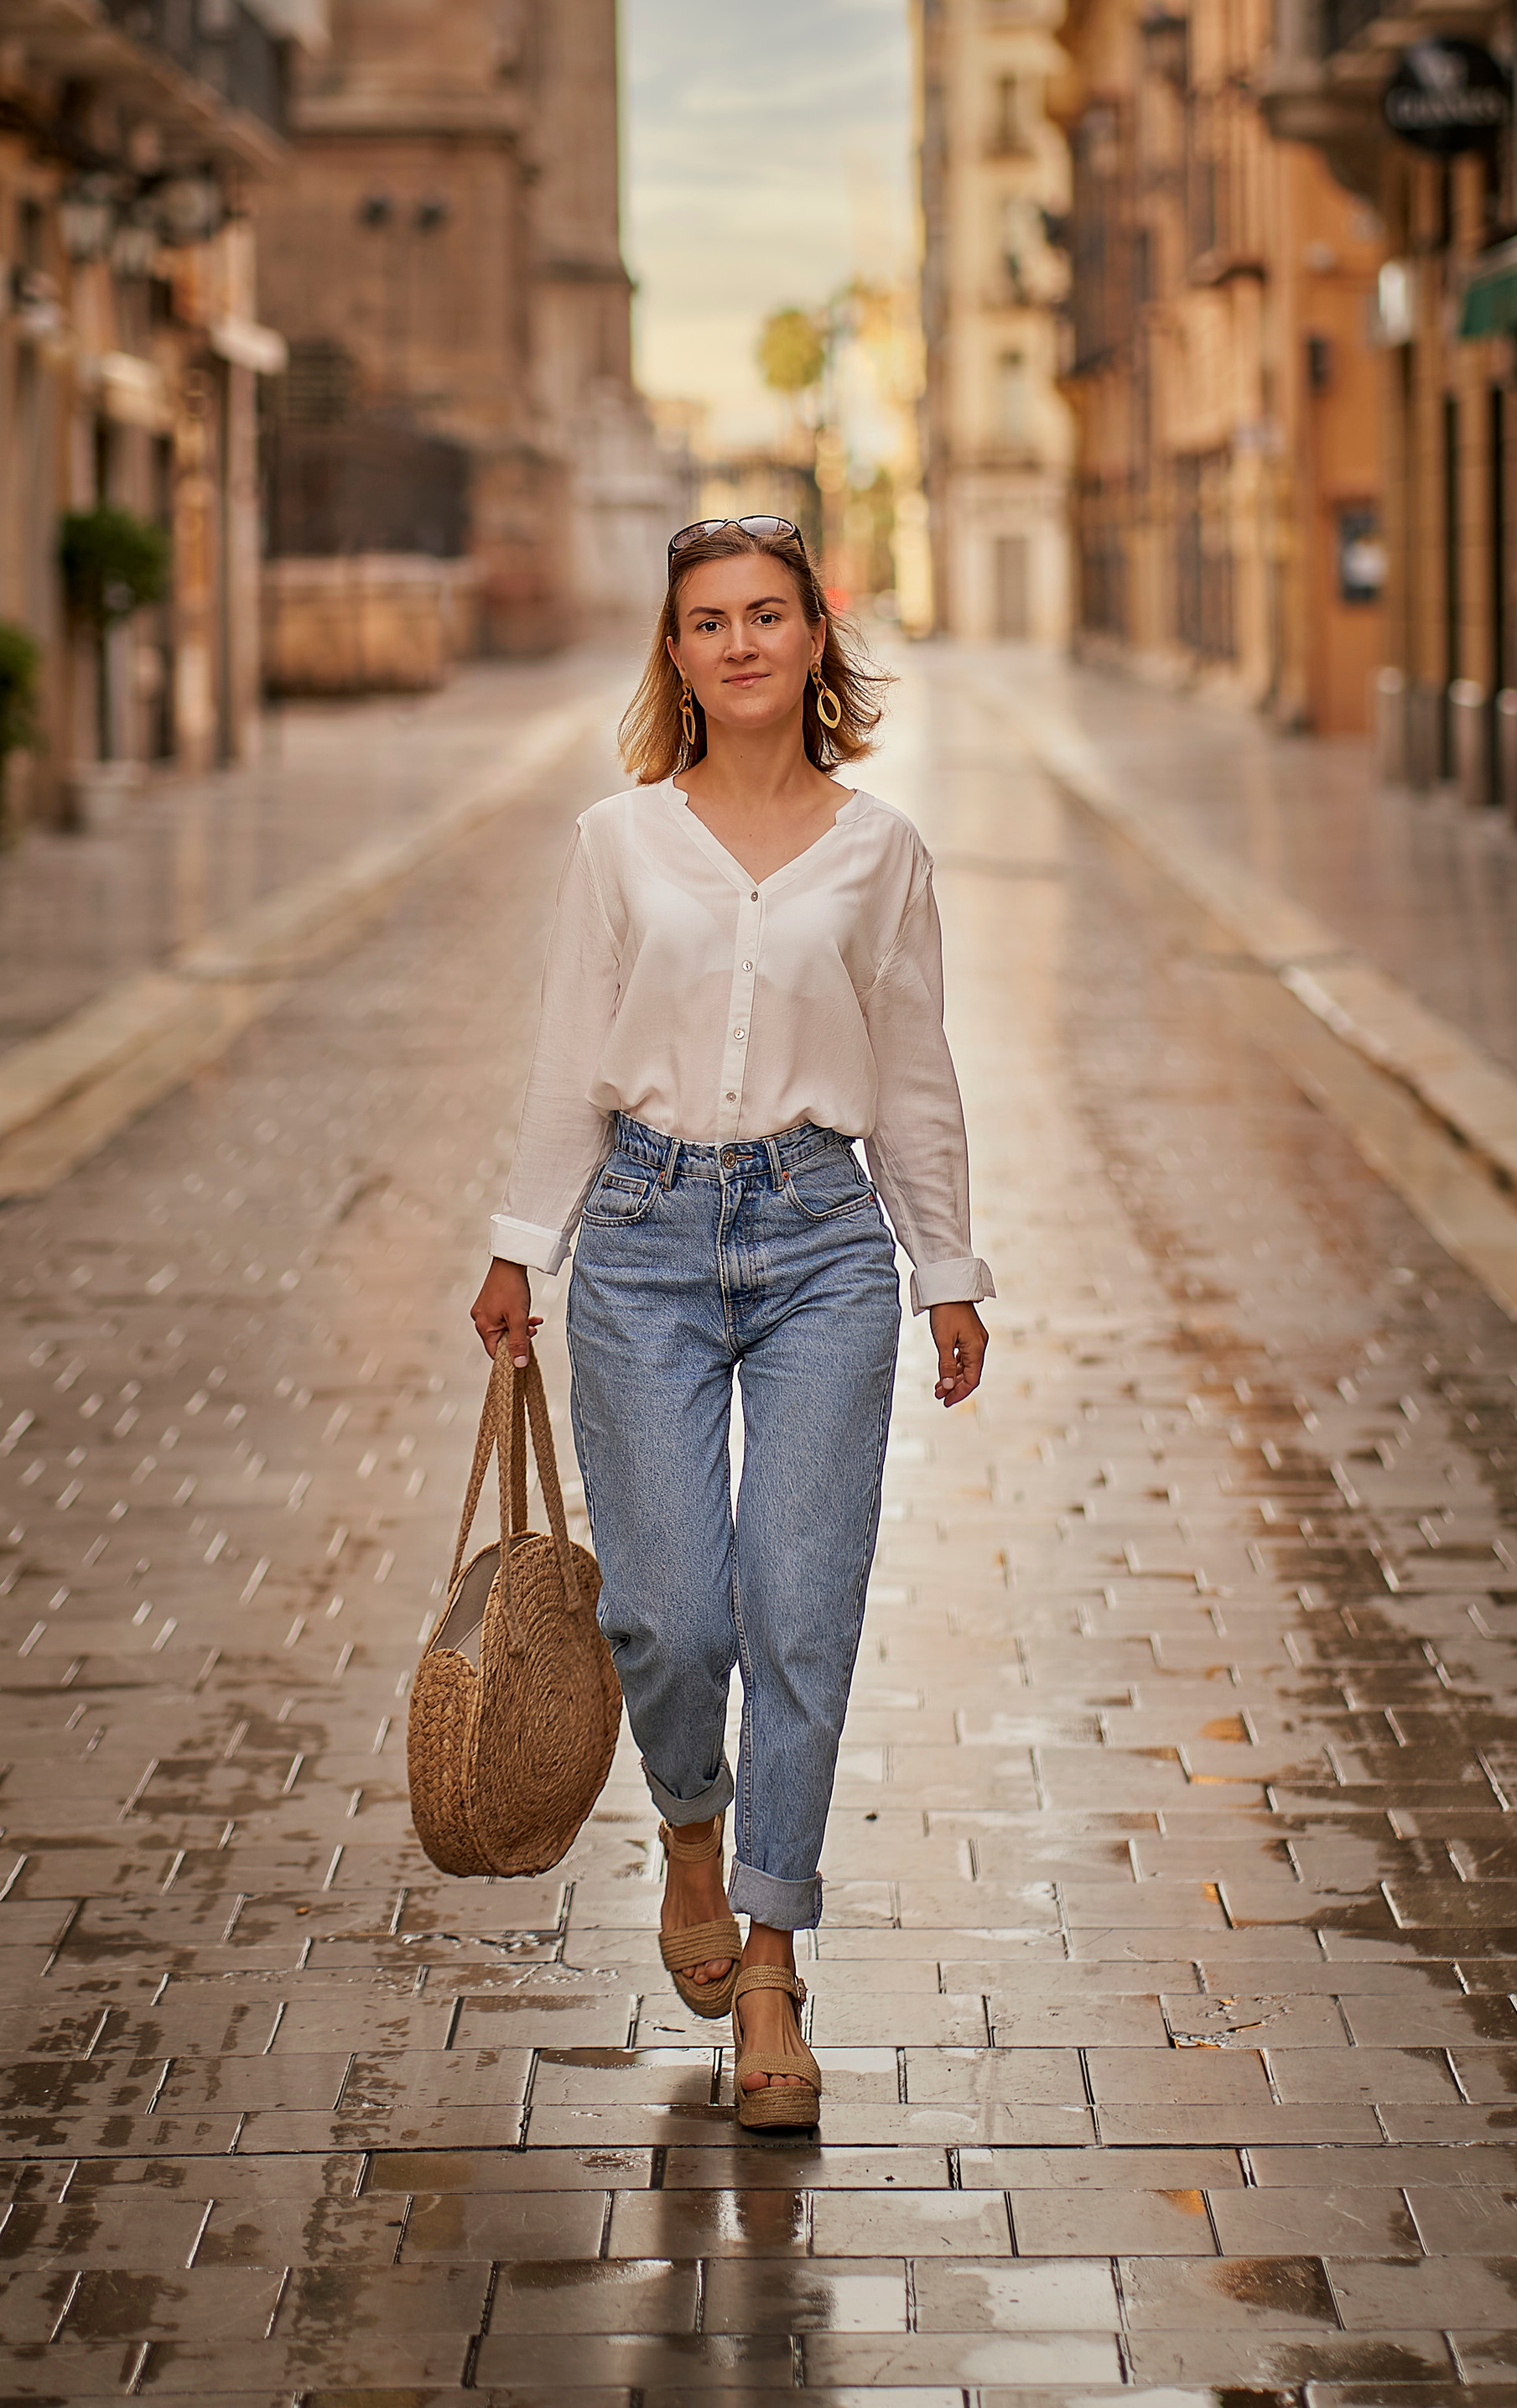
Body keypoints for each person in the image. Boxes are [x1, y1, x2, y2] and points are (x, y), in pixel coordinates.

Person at [470, 517, 994, 2132]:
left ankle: (771, 1960)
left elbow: (912, 1069)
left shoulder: (882, 849)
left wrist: (948, 1265)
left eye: (771, 614)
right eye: (711, 622)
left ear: (815, 640)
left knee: (804, 1613)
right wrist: (519, 1249)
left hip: (823, 1241)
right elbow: (573, 1057)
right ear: (677, 654)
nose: (743, 643)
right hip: (637, 1239)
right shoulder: (618, 843)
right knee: (673, 1621)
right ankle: (689, 1824)